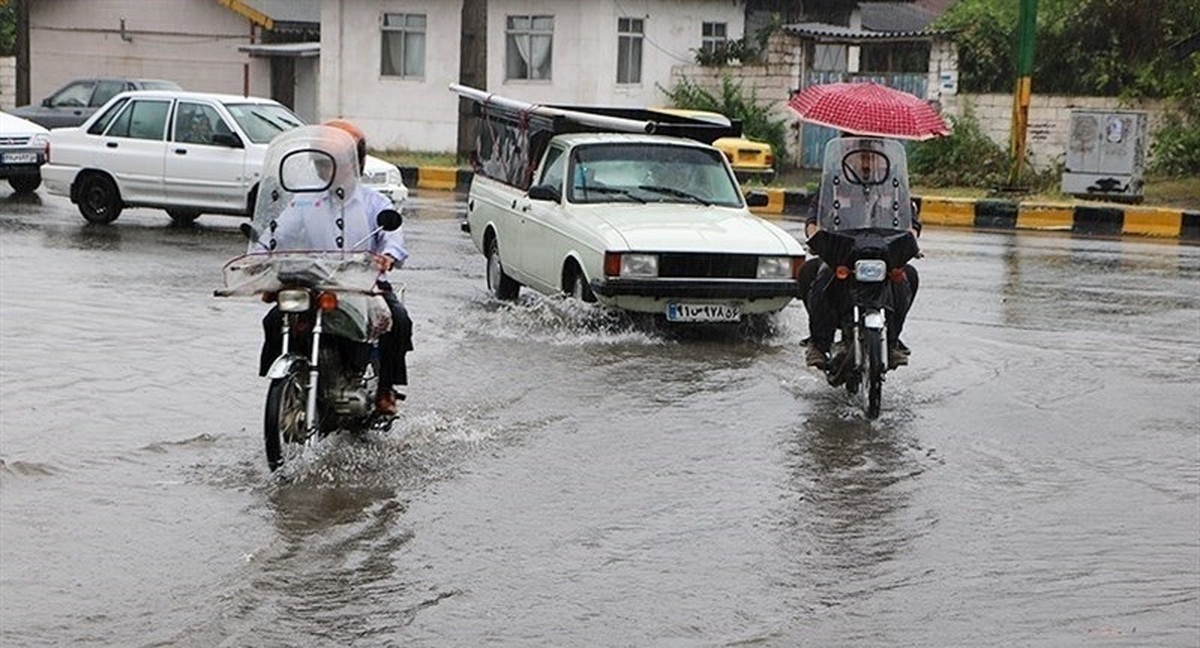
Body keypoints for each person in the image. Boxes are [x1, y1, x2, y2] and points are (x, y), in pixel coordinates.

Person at [257, 120, 413, 415]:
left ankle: (385, 390)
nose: (323, 170)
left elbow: (393, 237)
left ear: (354, 164)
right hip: (315, 283)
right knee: (274, 320)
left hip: (363, 285)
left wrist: (388, 255)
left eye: (330, 164)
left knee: (399, 320)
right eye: (319, 164)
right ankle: (285, 385)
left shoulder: (374, 202)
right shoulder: (305, 202)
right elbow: (278, 232)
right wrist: (261, 252)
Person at [800, 138, 921, 371]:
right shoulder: (833, 182)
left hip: (883, 251)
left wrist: (911, 240)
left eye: (871, 155)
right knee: (817, 274)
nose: (866, 162)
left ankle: (893, 341)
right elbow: (814, 218)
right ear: (849, 154)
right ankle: (819, 342)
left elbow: (911, 221)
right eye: (861, 156)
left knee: (907, 277)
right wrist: (815, 237)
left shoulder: (895, 184)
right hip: (843, 250)